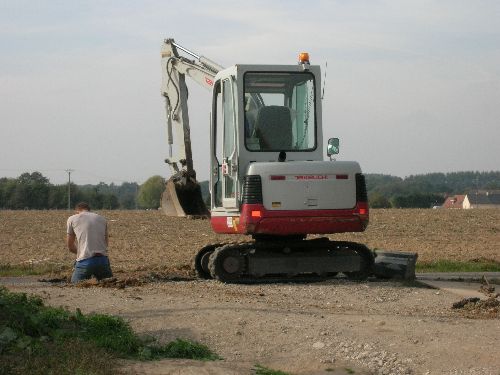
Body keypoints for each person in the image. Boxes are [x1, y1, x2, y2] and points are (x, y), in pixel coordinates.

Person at [66, 202, 113, 283]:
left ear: (77, 211)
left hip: (85, 262)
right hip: (103, 261)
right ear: (89, 210)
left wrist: (82, 252)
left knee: (74, 285)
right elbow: (106, 244)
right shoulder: (102, 219)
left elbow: (70, 246)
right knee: (109, 284)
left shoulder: (72, 219)